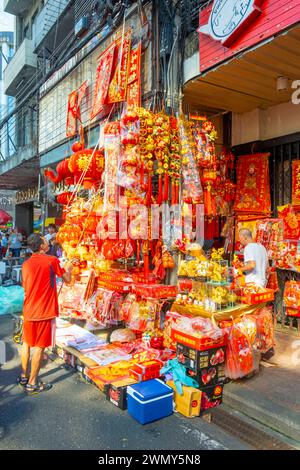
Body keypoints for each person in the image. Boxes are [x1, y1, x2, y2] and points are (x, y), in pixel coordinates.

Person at [18, 233, 73, 395]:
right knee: (40, 347)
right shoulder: (51, 260)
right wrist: (69, 266)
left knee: (27, 343)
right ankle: (33, 382)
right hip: (44, 311)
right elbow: (67, 279)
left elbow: (25, 287)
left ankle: (23, 376)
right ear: (41, 246)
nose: (47, 242)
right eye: (44, 240)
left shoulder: (26, 264)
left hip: (29, 309)